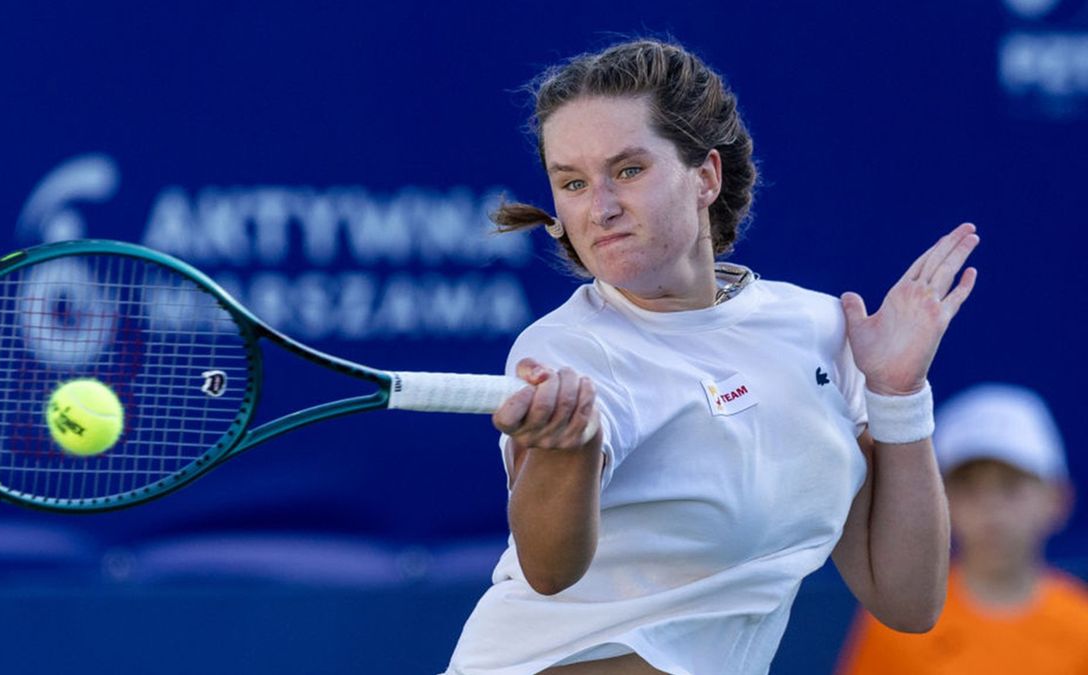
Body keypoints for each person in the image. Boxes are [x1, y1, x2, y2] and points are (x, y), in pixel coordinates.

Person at [444, 38, 979, 674]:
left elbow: (908, 601)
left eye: (629, 170)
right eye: (573, 183)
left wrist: (899, 395)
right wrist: (569, 450)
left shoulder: (817, 329)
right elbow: (549, 571)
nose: (602, 206)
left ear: (706, 176)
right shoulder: (566, 349)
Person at [837, 383, 1088, 674]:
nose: (991, 507)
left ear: (1057, 499)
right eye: (969, 488)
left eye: (1011, 486)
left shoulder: (1081, 623)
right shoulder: (899, 620)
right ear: (940, 502)